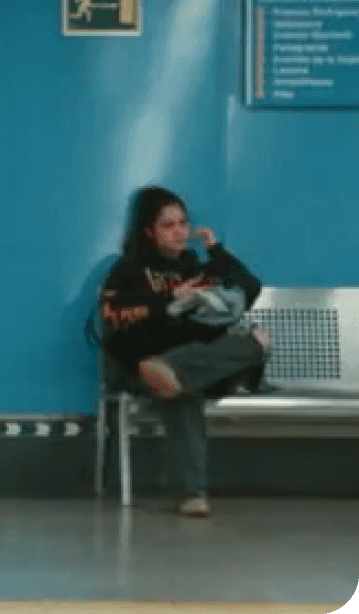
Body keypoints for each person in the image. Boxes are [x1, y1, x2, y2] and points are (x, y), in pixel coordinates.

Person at [97, 185, 270, 518]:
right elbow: (115, 316)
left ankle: (176, 371)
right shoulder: (130, 269)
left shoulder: (194, 267)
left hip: (186, 359)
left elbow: (250, 287)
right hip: (140, 364)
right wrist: (169, 303)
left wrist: (217, 251)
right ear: (148, 230)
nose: (179, 232)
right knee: (182, 389)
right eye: (168, 225)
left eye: (182, 224)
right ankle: (192, 494)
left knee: (257, 340)